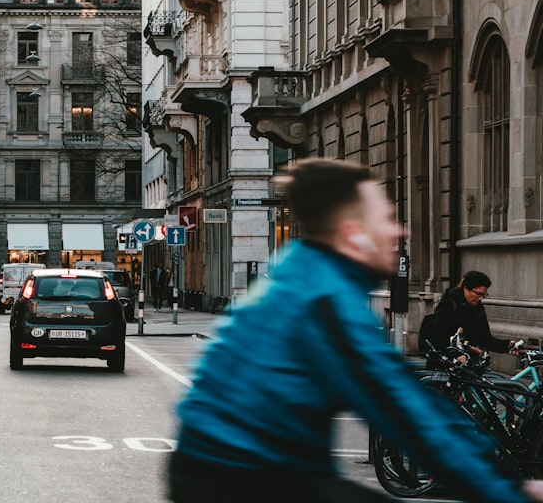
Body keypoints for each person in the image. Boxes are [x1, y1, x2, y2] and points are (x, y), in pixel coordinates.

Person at [166, 158, 543, 503]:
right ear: (353, 233)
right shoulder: (324, 302)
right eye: (386, 218)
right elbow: (407, 413)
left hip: (226, 466)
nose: (399, 230)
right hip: (241, 477)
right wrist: (508, 492)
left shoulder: (300, 271)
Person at [423, 270, 516, 358]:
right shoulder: (449, 303)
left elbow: (485, 338)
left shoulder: (478, 308)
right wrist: (457, 354)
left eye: (483, 295)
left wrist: (507, 345)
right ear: (466, 288)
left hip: (470, 364)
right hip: (448, 365)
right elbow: (438, 335)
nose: (480, 298)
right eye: (478, 294)